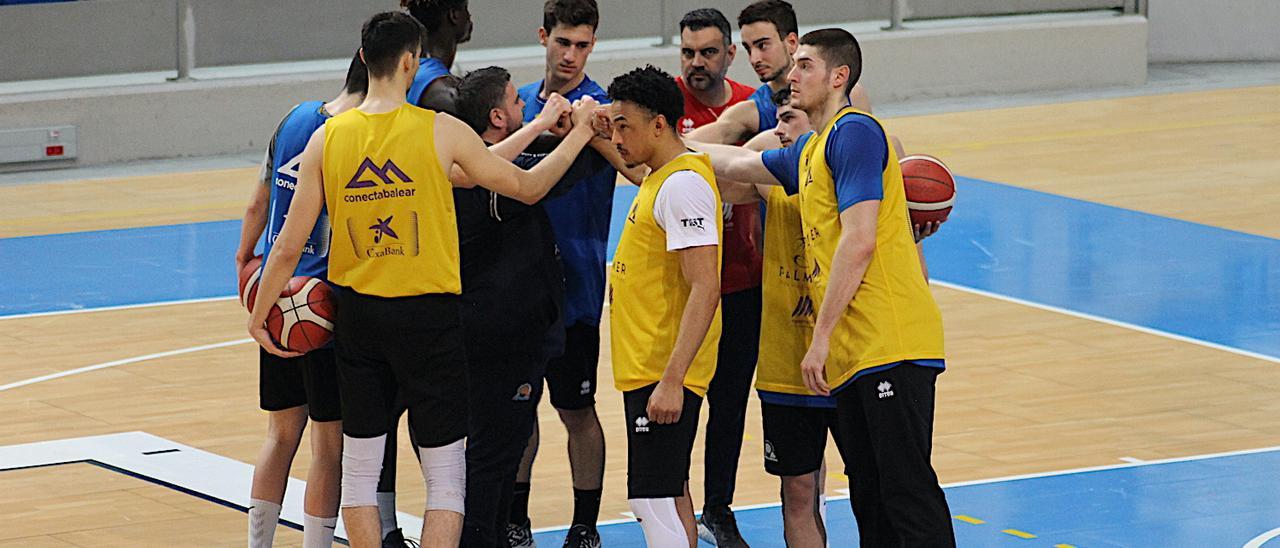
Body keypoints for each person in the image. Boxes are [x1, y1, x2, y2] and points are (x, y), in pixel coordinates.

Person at [246, 12, 597, 547]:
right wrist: (578, 138)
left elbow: (290, 244)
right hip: (429, 320)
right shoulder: (441, 131)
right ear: (412, 61)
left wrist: (259, 316)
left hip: (358, 318)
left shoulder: (326, 137)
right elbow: (525, 186)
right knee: (445, 476)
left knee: (361, 472)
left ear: (364, 58)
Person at [695, 29, 955, 547]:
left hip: (890, 343)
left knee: (904, 493)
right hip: (855, 356)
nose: (792, 74)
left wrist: (821, 337)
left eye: (806, 65)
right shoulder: (811, 150)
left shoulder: (855, 131)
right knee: (870, 496)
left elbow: (857, 242)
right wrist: (660, 140)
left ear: (838, 77)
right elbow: (734, 163)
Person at [448, 65, 607, 548]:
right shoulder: (484, 180)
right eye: (518, 103)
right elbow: (535, 182)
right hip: (501, 334)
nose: (526, 108)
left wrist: (558, 132)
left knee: (501, 447)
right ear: (497, 116)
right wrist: (576, 131)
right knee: (491, 456)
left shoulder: (473, 161)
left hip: (501, 331)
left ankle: (492, 534)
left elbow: (544, 161)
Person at [235, 50, 366, 548]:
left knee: (279, 435)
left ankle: (258, 544)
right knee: (328, 446)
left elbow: (257, 203)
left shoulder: (293, 118)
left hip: (274, 299)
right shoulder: (354, 135)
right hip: (322, 311)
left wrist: (246, 265)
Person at [508, 3, 628, 546]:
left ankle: (585, 526)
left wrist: (589, 127)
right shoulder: (516, 110)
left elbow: (637, 166)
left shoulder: (606, 111)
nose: (571, 55)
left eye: (582, 45)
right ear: (543, 37)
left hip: (577, 290)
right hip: (517, 288)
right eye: (563, 42)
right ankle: (516, 520)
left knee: (577, 409)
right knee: (519, 408)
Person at [602, 65, 722, 548]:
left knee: (652, 501)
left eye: (624, 126)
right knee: (668, 495)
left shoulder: (681, 186)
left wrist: (673, 380)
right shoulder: (659, 178)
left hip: (662, 372)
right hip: (647, 369)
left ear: (659, 124)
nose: (617, 136)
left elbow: (705, 286)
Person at [672, 8, 761, 547]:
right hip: (683, 286)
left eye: (707, 52)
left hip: (745, 282)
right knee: (682, 399)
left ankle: (718, 509)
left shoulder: (749, 106)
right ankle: (672, 501)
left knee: (730, 402)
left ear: (729, 53)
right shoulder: (666, 107)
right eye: (687, 53)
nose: (695, 63)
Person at [685, 0, 871, 146]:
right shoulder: (752, 109)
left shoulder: (850, 93)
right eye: (748, 48)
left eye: (762, 45)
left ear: (791, 42)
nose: (754, 58)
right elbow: (714, 134)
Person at [402, 0, 472, 112]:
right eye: (465, 8)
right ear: (454, 15)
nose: (469, 16)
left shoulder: (401, 71)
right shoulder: (446, 92)